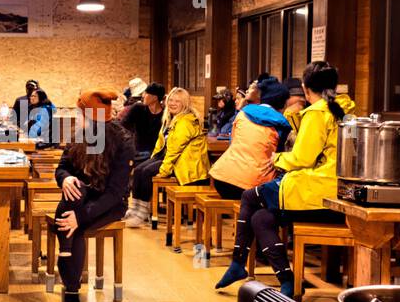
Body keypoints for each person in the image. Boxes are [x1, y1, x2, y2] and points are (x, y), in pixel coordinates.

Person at [215, 61, 355, 297]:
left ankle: (238, 263)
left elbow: (302, 157)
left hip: (316, 191)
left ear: (305, 87)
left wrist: (278, 159)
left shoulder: (318, 113)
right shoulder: (345, 110)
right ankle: (286, 280)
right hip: (337, 191)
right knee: (261, 219)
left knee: (250, 196)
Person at [52, 89, 135, 302]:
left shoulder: (123, 141)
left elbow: (115, 192)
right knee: (73, 194)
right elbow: (62, 167)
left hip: (110, 203)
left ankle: (71, 292)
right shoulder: (80, 135)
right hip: (82, 195)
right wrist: (65, 178)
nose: (76, 118)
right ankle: (69, 274)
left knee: (72, 224)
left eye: (80, 113)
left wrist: (81, 217)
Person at [125, 86, 210, 227]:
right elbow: (160, 144)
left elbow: (174, 152)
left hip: (183, 164)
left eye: (177, 101)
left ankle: (141, 214)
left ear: (185, 103)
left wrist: (163, 171)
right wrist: (152, 159)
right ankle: (134, 209)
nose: (172, 103)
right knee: (139, 169)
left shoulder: (185, 121)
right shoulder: (170, 118)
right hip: (167, 157)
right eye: (171, 100)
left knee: (146, 172)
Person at [209, 76, 292, 201]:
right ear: (283, 103)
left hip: (221, 179)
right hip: (251, 185)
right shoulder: (282, 124)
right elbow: (279, 158)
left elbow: (233, 142)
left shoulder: (243, 113)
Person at [119, 82, 165, 161]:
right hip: (137, 151)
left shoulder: (165, 115)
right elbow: (122, 126)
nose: (143, 96)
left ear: (155, 97)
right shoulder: (138, 108)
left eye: (146, 93)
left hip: (155, 154)